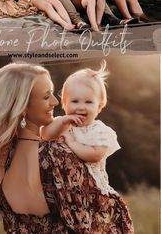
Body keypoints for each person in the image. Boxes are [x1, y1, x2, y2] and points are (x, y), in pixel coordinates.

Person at [0, 62, 134, 233]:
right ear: (22, 106)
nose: (55, 102)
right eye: (46, 96)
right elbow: (82, 222)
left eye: (52, 94)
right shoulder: (56, 155)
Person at [41, 62, 134, 233]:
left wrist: (72, 143)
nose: (81, 106)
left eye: (89, 102)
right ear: (64, 103)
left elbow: (95, 154)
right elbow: (45, 135)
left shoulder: (99, 130)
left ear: (99, 106)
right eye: (75, 101)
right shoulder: (64, 124)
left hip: (93, 193)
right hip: (67, 196)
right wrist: (62, 121)